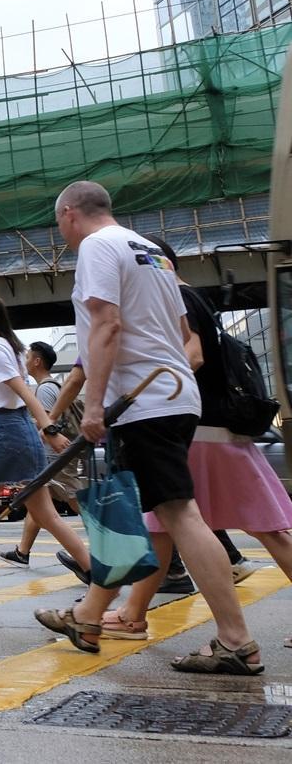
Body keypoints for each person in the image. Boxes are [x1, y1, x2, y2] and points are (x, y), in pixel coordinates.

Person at [33, 181, 262, 674]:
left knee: (181, 515)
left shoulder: (97, 246)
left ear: (70, 214)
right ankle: (89, 616)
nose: (62, 234)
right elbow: (182, 334)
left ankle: (236, 640)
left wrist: (92, 407)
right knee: (136, 512)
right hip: (175, 395)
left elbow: (106, 325)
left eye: (59, 225)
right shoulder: (150, 251)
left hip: (143, 403)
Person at [94, 236, 292, 649]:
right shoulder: (192, 299)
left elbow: (195, 355)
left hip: (203, 430)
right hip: (213, 428)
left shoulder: (180, 300)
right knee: (164, 525)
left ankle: (137, 615)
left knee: (256, 528)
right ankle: (132, 613)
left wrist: (155, 389)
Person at [0, 296, 88, 606]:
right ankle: (96, 573)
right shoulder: (13, 347)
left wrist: (49, 427)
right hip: (18, 433)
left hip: (3, 435)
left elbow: (22, 391)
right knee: (46, 515)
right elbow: (7, 391)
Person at [0, 344, 87, 567]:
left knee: (76, 501)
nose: (25, 361)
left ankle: (105, 549)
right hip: (58, 452)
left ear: (37, 361)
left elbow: (46, 424)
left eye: (27, 357)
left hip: (54, 453)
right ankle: (22, 552)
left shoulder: (45, 389)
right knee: (38, 503)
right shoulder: (51, 386)